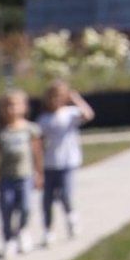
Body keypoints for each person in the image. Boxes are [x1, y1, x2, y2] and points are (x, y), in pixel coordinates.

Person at [38, 79, 93, 244]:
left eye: (59, 96)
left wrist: (75, 99)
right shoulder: (43, 118)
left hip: (68, 162)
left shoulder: (70, 113)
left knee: (65, 195)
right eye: (52, 96)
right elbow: (38, 142)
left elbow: (88, 115)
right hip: (49, 164)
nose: (55, 100)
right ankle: (48, 229)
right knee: (47, 199)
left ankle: (71, 217)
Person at [0, 91, 43, 259]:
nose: (11, 109)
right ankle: (9, 240)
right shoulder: (0, 132)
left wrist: (39, 173)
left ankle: (23, 231)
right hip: (5, 176)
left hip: (25, 175)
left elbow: (37, 153)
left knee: (25, 207)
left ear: (23, 107)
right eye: (7, 106)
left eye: (14, 105)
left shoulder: (30, 129)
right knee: (6, 207)